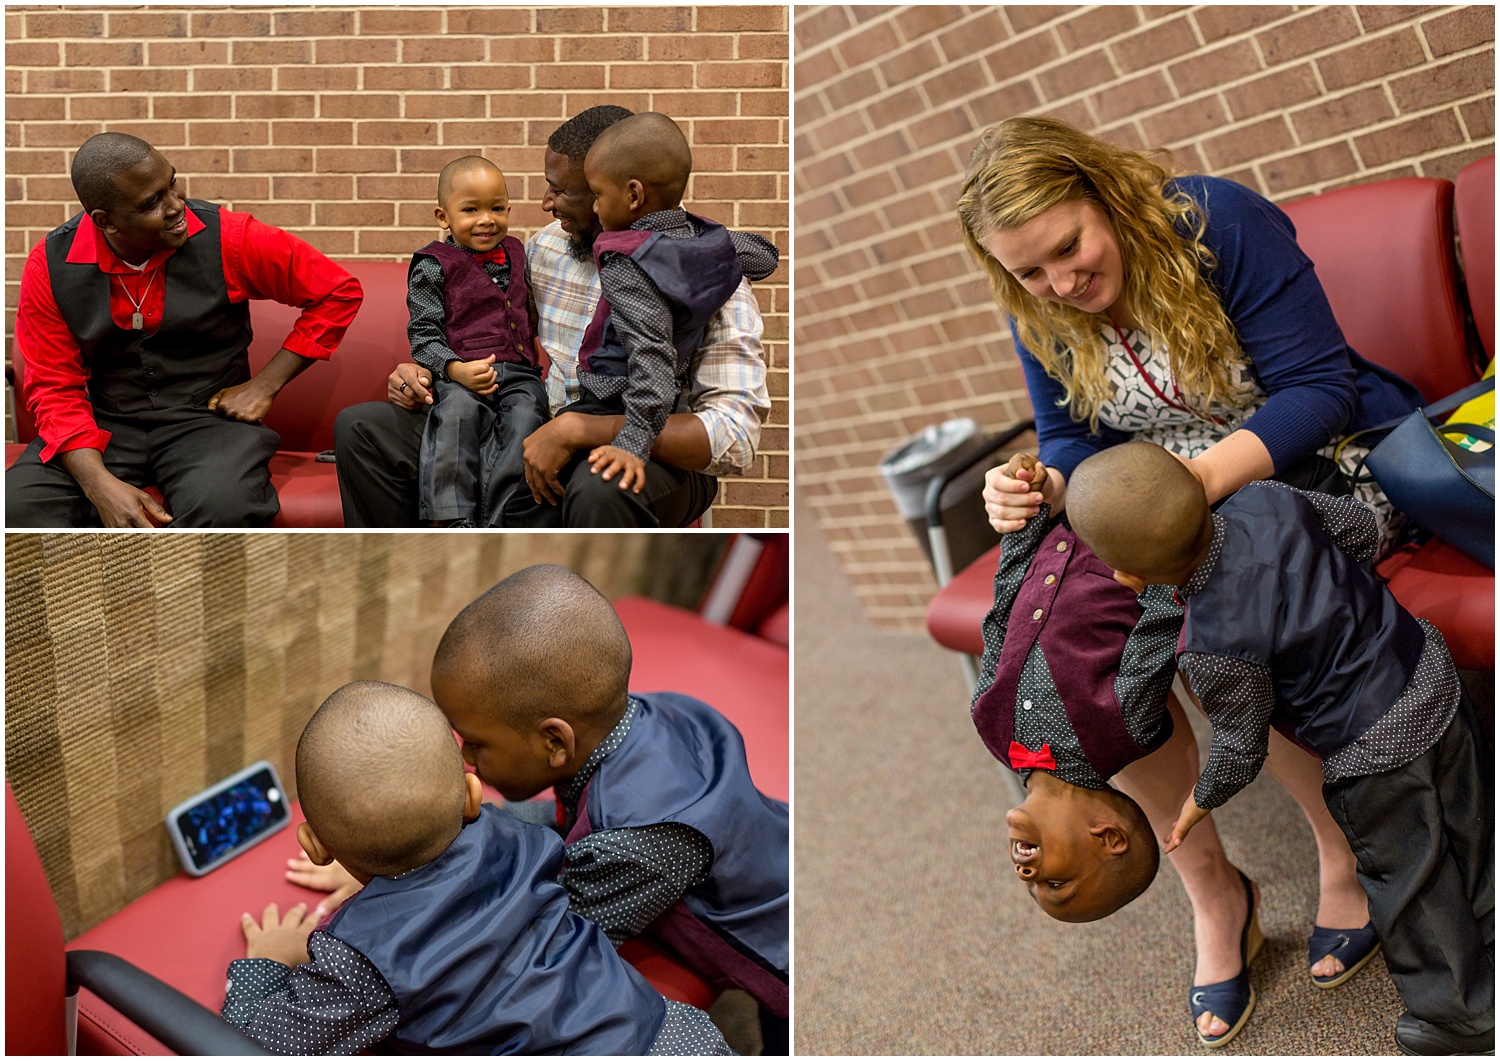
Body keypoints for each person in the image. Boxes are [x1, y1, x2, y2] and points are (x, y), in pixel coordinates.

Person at [955, 115, 1425, 1042]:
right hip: (1151, 490)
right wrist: (1038, 487)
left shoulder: (1213, 224)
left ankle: (1335, 851)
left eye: (1069, 248)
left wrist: (1189, 493)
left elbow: (1319, 386)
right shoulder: (1039, 304)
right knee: (1073, 650)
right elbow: (1070, 442)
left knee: (1224, 597)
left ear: (1105, 192)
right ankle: (1214, 889)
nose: (1061, 285)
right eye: (1031, 273)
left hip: (1304, 458)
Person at [1066, 441, 1494, 1056]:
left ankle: (1461, 1018)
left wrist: (1197, 802)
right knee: (1472, 825)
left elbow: (1242, 747)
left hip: (1370, 750)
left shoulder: (1210, 647)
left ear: (1128, 578)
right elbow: (1359, 528)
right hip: (1427, 675)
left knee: (1410, 884)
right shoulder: (1267, 498)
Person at [290, 566, 790, 1053]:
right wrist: (397, 849)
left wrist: (408, 877)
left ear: (554, 741)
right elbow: (565, 821)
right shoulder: (642, 718)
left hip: (786, 956)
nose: (465, 760)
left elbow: (534, 922)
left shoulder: (641, 840)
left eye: (477, 744)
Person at [223, 680, 733, 1055]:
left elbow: (253, 1046)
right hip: (674, 1035)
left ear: (315, 845)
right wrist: (376, 877)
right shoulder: (523, 837)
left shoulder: (358, 962)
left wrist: (265, 965)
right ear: (472, 795)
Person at [333, 105, 772, 527]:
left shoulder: (707, 273)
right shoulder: (547, 250)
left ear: (626, 192)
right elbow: (486, 322)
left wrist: (582, 429)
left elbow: (734, 438)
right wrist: (433, 365)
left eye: (564, 191)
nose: (545, 203)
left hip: (650, 449)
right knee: (365, 430)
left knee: (601, 486)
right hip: (531, 421)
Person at [6, 132, 362, 528]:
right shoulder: (51, 264)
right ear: (105, 221)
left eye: (171, 184)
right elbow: (54, 387)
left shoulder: (230, 236)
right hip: (106, 423)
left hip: (206, 422)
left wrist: (264, 385)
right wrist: (97, 484)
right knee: (16, 510)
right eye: (152, 203)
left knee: (224, 507)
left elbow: (337, 291)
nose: (176, 207)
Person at [970, 454, 1175, 924]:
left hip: (1062, 519)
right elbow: (1163, 614)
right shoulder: (1122, 730)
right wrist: (1159, 520)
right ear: (1108, 838)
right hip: (1135, 520)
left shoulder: (990, 724)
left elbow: (1003, 610)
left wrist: (1028, 514)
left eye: (1034, 888)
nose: (1026, 875)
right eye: (1055, 883)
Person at [567, 112, 779, 496]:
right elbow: (765, 257)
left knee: (525, 486)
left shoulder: (625, 261)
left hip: (613, 399)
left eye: (597, 194)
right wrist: (704, 252)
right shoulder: (710, 241)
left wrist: (634, 440)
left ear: (633, 195)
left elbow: (651, 354)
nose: (595, 209)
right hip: (670, 402)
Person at [407, 155, 548, 526]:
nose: (486, 219)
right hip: (461, 372)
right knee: (456, 417)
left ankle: (501, 519)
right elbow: (423, 334)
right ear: (443, 217)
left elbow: (528, 315)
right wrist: (455, 369)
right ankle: (448, 518)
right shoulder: (431, 265)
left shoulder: (519, 252)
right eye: (470, 209)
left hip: (519, 371)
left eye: (497, 208)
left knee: (527, 419)